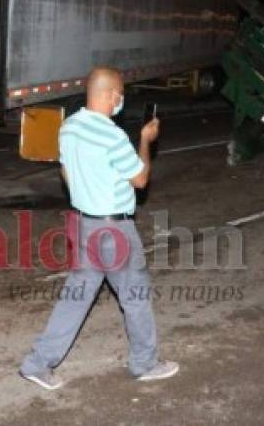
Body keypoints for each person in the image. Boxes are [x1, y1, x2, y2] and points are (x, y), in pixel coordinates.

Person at [19, 67, 178, 390]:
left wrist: (88, 188)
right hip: (113, 230)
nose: (120, 102)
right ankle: (145, 363)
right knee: (135, 297)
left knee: (75, 297)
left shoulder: (69, 127)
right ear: (110, 96)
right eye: (119, 95)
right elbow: (140, 179)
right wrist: (145, 142)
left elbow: (66, 172)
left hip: (83, 225)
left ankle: (37, 364)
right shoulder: (112, 135)